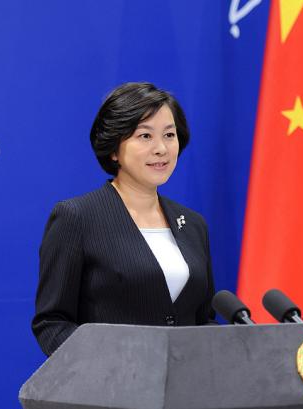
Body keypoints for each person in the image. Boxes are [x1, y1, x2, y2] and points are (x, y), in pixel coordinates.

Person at [32, 82, 216, 356]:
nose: (161, 148)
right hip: (110, 379)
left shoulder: (192, 224)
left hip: (187, 380)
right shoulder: (78, 217)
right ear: (114, 149)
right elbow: (52, 323)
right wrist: (107, 366)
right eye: (145, 136)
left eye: (169, 135)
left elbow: (204, 319)